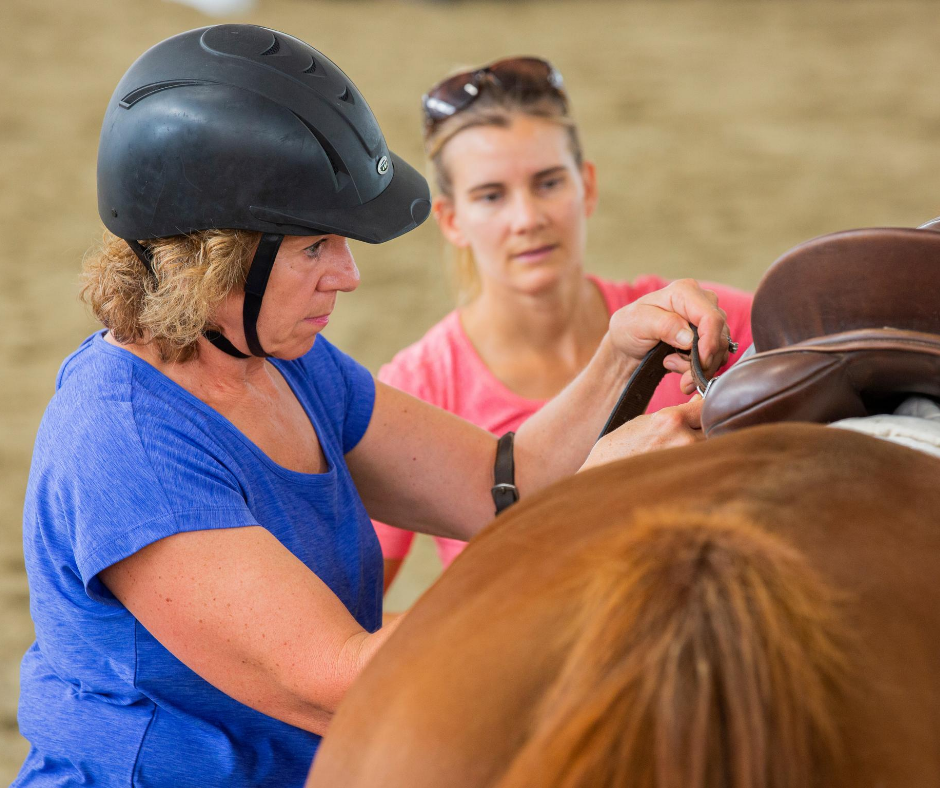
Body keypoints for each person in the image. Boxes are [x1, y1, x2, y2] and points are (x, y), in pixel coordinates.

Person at [14, 26, 732, 788]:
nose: (349, 275)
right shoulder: (126, 440)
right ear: (214, 259)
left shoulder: (278, 361)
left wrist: (620, 359)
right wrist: (593, 513)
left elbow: (503, 482)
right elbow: (352, 680)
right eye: (315, 247)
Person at [373, 57, 753, 591]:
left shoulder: (708, 322)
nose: (527, 218)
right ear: (452, 220)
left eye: (548, 182)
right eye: (491, 195)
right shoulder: (417, 388)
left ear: (587, 186)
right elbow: (352, 622)